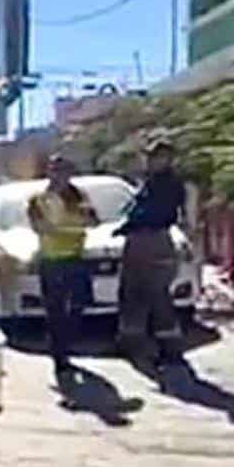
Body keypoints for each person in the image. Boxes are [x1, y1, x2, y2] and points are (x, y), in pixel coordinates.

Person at [116, 136, 187, 373]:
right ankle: (132, 344)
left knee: (157, 295)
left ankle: (170, 351)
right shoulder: (150, 182)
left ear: (167, 159)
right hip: (138, 241)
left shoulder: (168, 184)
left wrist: (131, 224)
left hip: (154, 240)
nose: (150, 161)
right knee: (132, 293)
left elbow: (155, 214)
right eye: (150, 157)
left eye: (156, 157)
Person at [28, 153, 100, 382]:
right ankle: (60, 358)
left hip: (75, 258)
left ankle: (65, 342)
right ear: (49, 172)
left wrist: (69, 223)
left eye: (64, 170)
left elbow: (93, 220)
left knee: (80, 303)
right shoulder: (38, 199)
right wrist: (74, 224)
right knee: (55, 310)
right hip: (51, 260)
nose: (60, 175)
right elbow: (40, 227)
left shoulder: (79, 196)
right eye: (55, 170)